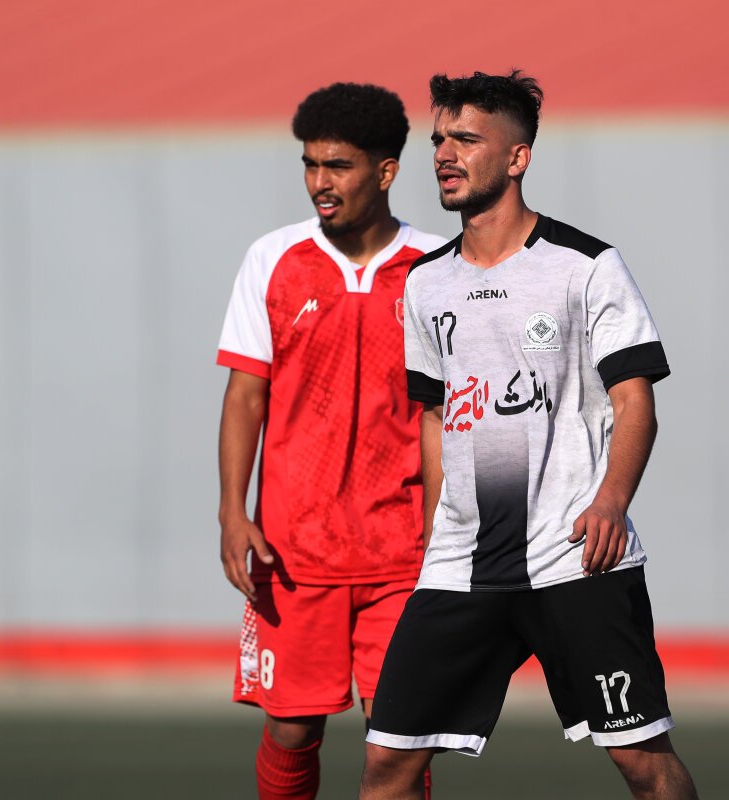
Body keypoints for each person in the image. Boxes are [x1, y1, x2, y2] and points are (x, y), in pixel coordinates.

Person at [360, 71, 700, 800]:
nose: (444, 154)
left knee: (643, 762)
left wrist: (611, 502)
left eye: (466, 139)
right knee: (388, 763)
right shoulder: (424, 283)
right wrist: (435, 532)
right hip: (462, 565)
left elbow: (635, 402)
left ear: (517, 158)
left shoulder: (587, 266)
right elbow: (434, 414)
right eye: (439, 139)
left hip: (574, 558)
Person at [216, 82, 445, 800]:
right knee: (291, 731)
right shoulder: (273, 259)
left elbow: (445, 415)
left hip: (403, 552)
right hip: (294, 550)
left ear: (386, 170)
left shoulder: (436, 269)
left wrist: (445, 529)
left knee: (398, 741)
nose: (320, 182)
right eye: (311, 165)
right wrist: (232, 512)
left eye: (338, 166)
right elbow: (245, 395)